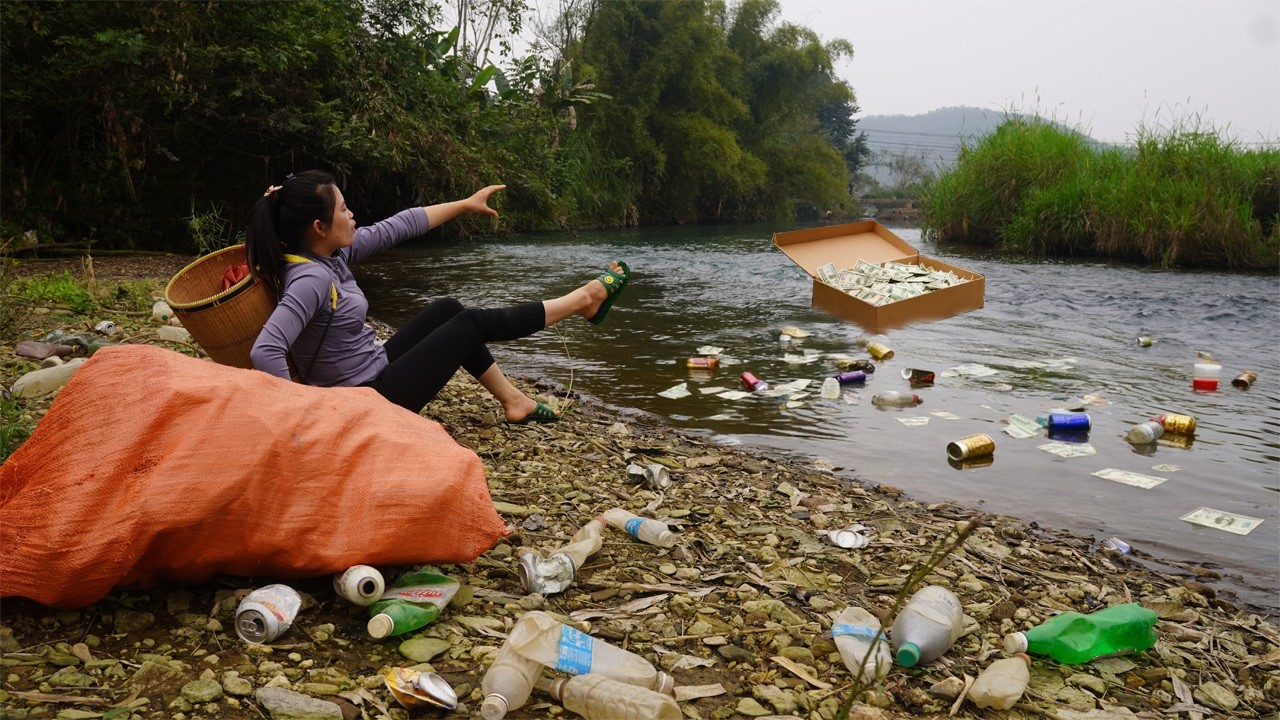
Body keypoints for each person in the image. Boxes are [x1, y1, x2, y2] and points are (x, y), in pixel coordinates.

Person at [245, 170, 630, 424]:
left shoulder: (331, 254)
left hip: (374, 371)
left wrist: (464, 204)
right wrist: (300, 420)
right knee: (471, 324)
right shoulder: (311, 277)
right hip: (365, 403)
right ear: (319, 227)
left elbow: (399, 226)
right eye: (344, 209)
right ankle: (583, 300)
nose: (352, 215)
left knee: (449, 309)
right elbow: (266, 350)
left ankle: (515, 401)